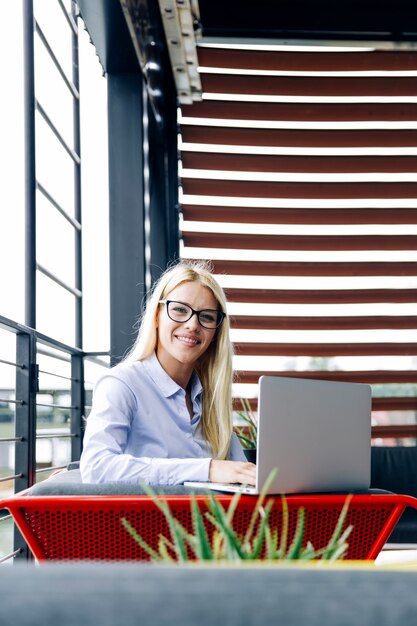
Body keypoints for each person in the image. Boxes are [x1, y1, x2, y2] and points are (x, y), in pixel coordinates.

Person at [80, 260, 256, 486]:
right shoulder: (122, 384)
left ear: (215, 333)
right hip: (145, 520)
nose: (193, 324)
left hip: (210, 520)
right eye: (180, 310)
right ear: (156, 315)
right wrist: (207, 469)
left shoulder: (211, 399)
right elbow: (97, 467)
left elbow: (240, 475)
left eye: (207, 316)